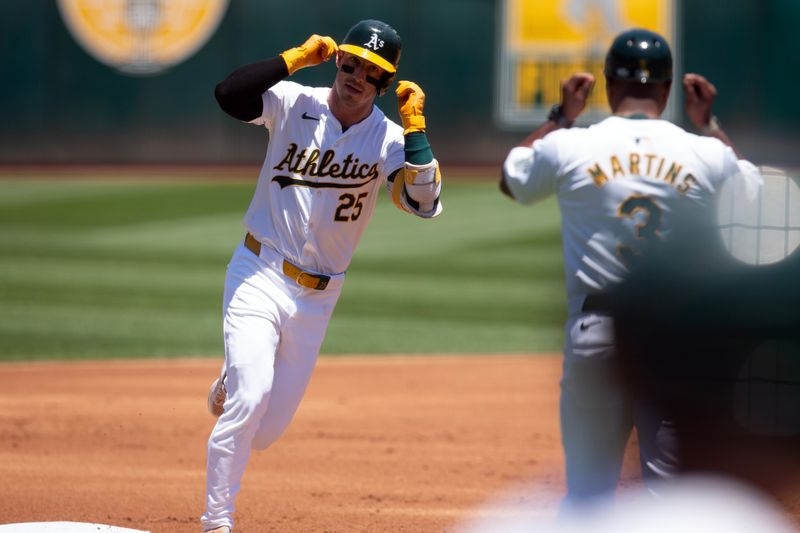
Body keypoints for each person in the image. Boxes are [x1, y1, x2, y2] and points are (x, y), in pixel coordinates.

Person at [498, 27, 761, 512]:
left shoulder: (571, 145)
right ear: (668, 88)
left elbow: (512, 179)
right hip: (677, 338)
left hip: (595, 334)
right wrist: (710, 125)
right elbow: (755, 198)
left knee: (587, 497)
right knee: (675, 501)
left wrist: (561, 116)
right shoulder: (706, 152)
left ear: (606, 84)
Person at [201, 19, 443, 533]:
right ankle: (216, 521)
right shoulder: (292, 101)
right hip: (259, 270)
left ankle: (233, 375)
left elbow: (423, 202)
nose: (356, 75)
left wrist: (417, 128)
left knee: (263, 433)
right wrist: (293, 58)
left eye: (371, 70)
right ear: (338, 61)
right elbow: (229, 95)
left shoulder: (389, 139)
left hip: (318, 298)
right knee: (248, 398)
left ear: (384, 82)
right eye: (350, 62)